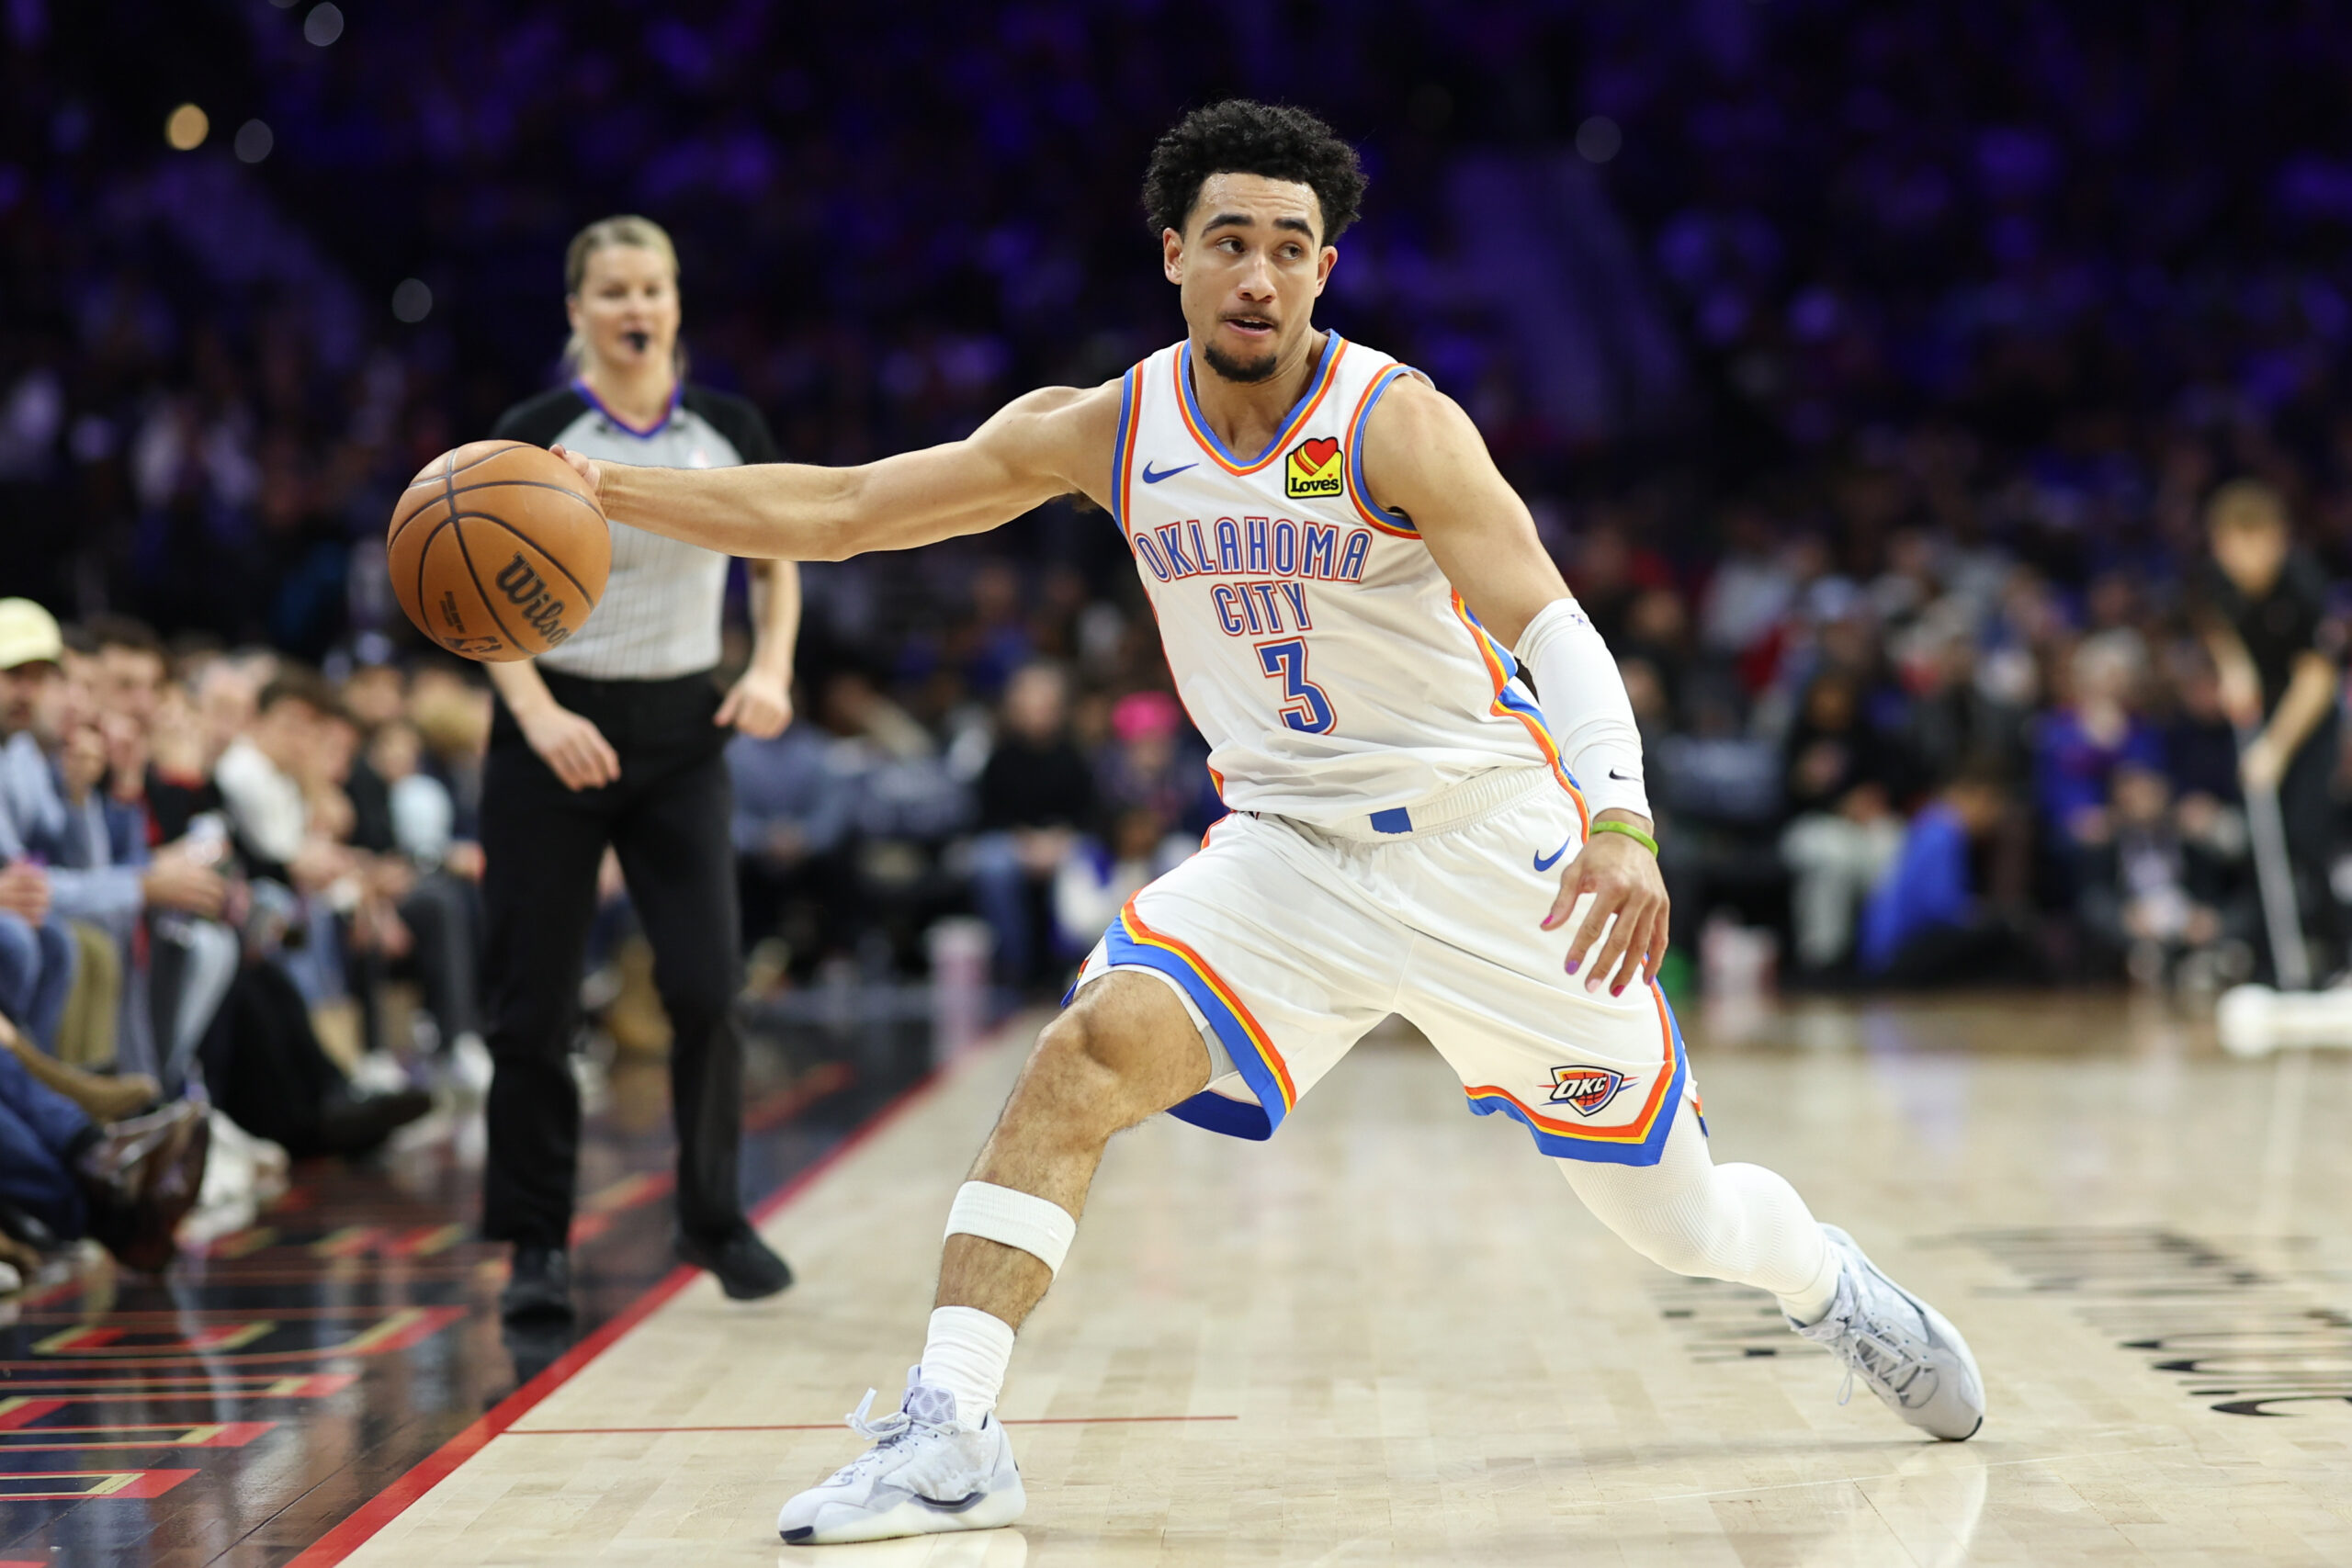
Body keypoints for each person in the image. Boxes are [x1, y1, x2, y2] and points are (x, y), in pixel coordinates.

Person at [551, 102, 1984, 1546]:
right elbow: (851, 506)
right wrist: (605, 488)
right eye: (1230, 242)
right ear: (1174, 255)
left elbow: (1552, 622)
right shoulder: (1112, 427)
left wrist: (1621, 816)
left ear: (1324, 271)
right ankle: (951, 1433)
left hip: (1493, 847)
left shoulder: (1395, 420)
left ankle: (1823, 1282)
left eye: (1289, 248)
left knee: (1677, 1224)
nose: (1259, 274)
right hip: (1289, 849)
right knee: (1085, 1050)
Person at [481, 214, 802, 1322]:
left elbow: (778, 562)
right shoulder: (533, 431)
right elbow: (475, 600)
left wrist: (770, 669)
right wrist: (534, 712)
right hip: (552, 725)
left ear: (674, 303)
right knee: (533, 1010)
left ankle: (712, 1219)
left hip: (681, 728)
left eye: (650, 289)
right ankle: (535, 1249)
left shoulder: (727, 428)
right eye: (611, 291)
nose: (633, 309)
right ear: (576, 310)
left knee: (709, 990)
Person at [2193, 479, 2342, 976]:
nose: (2249, 556)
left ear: (2280, 537)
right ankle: (2269, 967)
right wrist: (2234, 669)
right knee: (2258, 837)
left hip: (2308, 723)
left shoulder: (2304, 582)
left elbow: (2318, 680)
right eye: (2237, 542)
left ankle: (2334, 961)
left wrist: (2275, 750)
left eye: (2260, 540)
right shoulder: (2212, 579)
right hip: (2257, 717)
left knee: (2307, 835)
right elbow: (2213, 623)